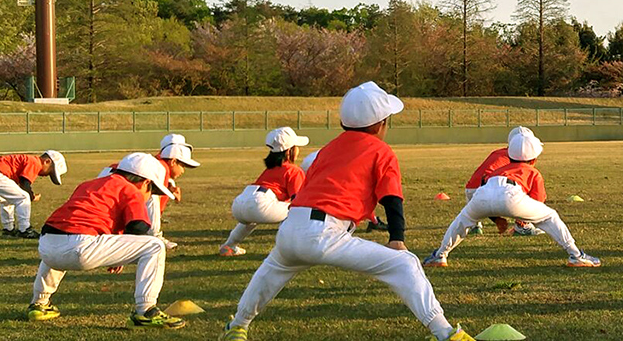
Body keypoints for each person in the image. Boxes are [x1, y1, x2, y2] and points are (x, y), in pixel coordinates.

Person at [220, 82, 474, 341]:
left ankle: (238, 326)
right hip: (325, 232)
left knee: (271, 271)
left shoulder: (327, 150)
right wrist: (396, 238)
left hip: (290, 226)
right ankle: (445, 333)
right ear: (380, 125)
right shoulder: (381, 151)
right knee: (406, 263)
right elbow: (391, 198)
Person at [27, 152, 184, 329]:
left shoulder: (90, 184)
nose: (150, 196)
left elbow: (80, 219)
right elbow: (139, 227)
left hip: (46, 246)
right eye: (152, 191)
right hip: (81, 247)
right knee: (155, 245)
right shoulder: (131, 190)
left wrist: (118, 248)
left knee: (61, 237)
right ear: (146, 182)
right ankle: (145, 311)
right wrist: (124, 250)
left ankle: (39, 303)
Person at [425, 129, 601, 268]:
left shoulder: (498, 170)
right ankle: (576, 256)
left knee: (462, 221)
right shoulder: (533, 172)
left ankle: (440, 255)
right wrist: (523, 221)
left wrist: (496, 218)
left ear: (509, 155)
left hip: (483, 193)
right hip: (512, 194)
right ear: (534, 158)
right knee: (550, 216)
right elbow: (538, 203)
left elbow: (489, 192)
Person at [220, 127, 312, 256]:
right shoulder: (293, 170)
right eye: (296, 146)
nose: (298, 149)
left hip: (240, 203)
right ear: (289, 151)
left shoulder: (270, 169)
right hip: (260, 203)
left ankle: (229, 245)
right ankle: (290, 249)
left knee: (250, 219)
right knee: (298, 211)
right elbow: (298, 201)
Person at [99, 142, 201, 242]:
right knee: (154, 245)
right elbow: (141, 223)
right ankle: (155, 236)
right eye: (182, 166)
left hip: (108, 180)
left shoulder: (153, 164)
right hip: (93, 240)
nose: (183, 171)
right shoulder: (160, 170)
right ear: (173, 162)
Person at [460, 127, 540, 236]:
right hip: (487, 189)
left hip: (471, 190)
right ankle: (522, 226)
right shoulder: (516, 159)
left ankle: (474, 226)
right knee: (522, 187)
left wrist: (496, 219)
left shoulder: (498, 153)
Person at [0, 150, 67, 238]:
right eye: (51, 172)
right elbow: (25, 184)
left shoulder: (30, 160)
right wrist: (32, 196)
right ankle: (25, 229)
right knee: (23, 197)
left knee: (7, 200)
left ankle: (8, 229)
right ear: (47, 161)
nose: (47, 175)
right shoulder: (35, 163)